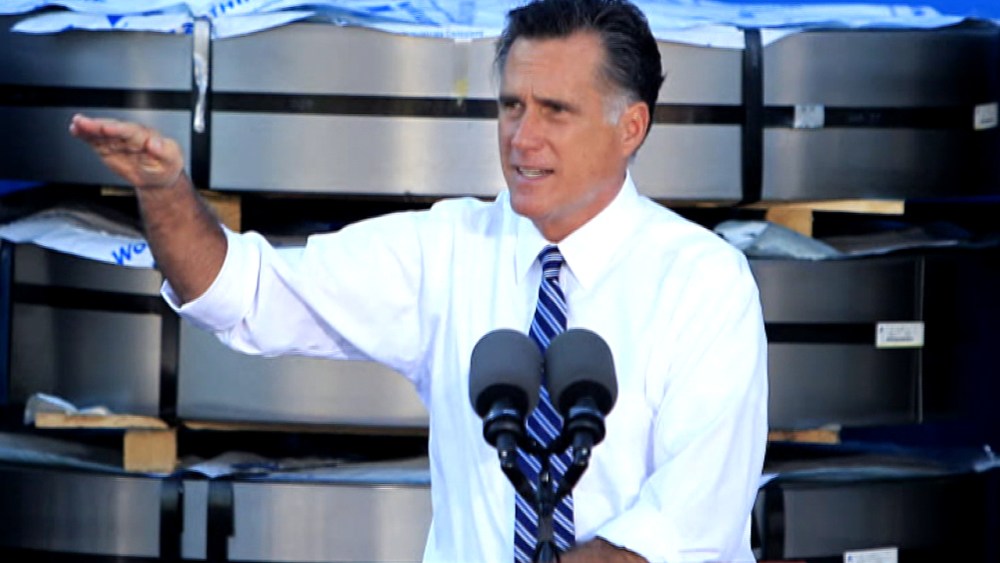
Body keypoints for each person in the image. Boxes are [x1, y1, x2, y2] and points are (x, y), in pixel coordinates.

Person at [70, 0, 768, 561]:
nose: (521, 137)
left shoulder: (704, 282)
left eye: (555, 110)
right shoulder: (448, 247)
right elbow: (248, 293)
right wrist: (165, 194)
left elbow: (686, 523)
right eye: (511, 105)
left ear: (630, 127)